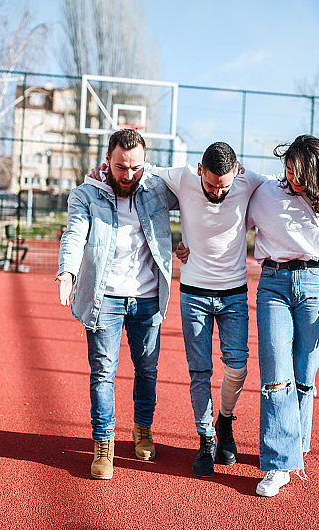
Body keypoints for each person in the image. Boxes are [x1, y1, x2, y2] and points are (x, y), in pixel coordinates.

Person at [93, 142, 271, 478]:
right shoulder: (183, 176)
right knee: (199, 372)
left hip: (234, 294)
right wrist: (101, 174)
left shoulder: (249, 181)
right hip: (194, 294)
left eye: (224, 187)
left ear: (237, 174)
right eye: (211, 185)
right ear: (200, 170)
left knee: (238, 366)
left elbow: (285, 185)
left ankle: (224, 422)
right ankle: (206, 439)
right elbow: (141, 171)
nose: (217, 192)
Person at [245, 134, 319, 497]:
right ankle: (279, 464)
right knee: (275, 374)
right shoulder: (265, 192)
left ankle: (294, 444)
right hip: (274, 285)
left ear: (316, 173)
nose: (292, 179)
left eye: (300, 174)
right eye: (288, 170)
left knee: (304, 375)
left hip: (315, 287)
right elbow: (229, 200)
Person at [56, 129, 178, 480]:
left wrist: (188, 243)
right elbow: (74, 234)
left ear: (146, 163)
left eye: (136, 167)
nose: (128, 175)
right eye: (121, 167)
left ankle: (142, 429)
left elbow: (198, 194)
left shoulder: (157, 188)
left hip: (147, 298)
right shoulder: (86, 195)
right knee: (103, 373)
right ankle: (103, 443)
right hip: (104, 298)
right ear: (107, 160)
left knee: (147, 370)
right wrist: (67, 271)